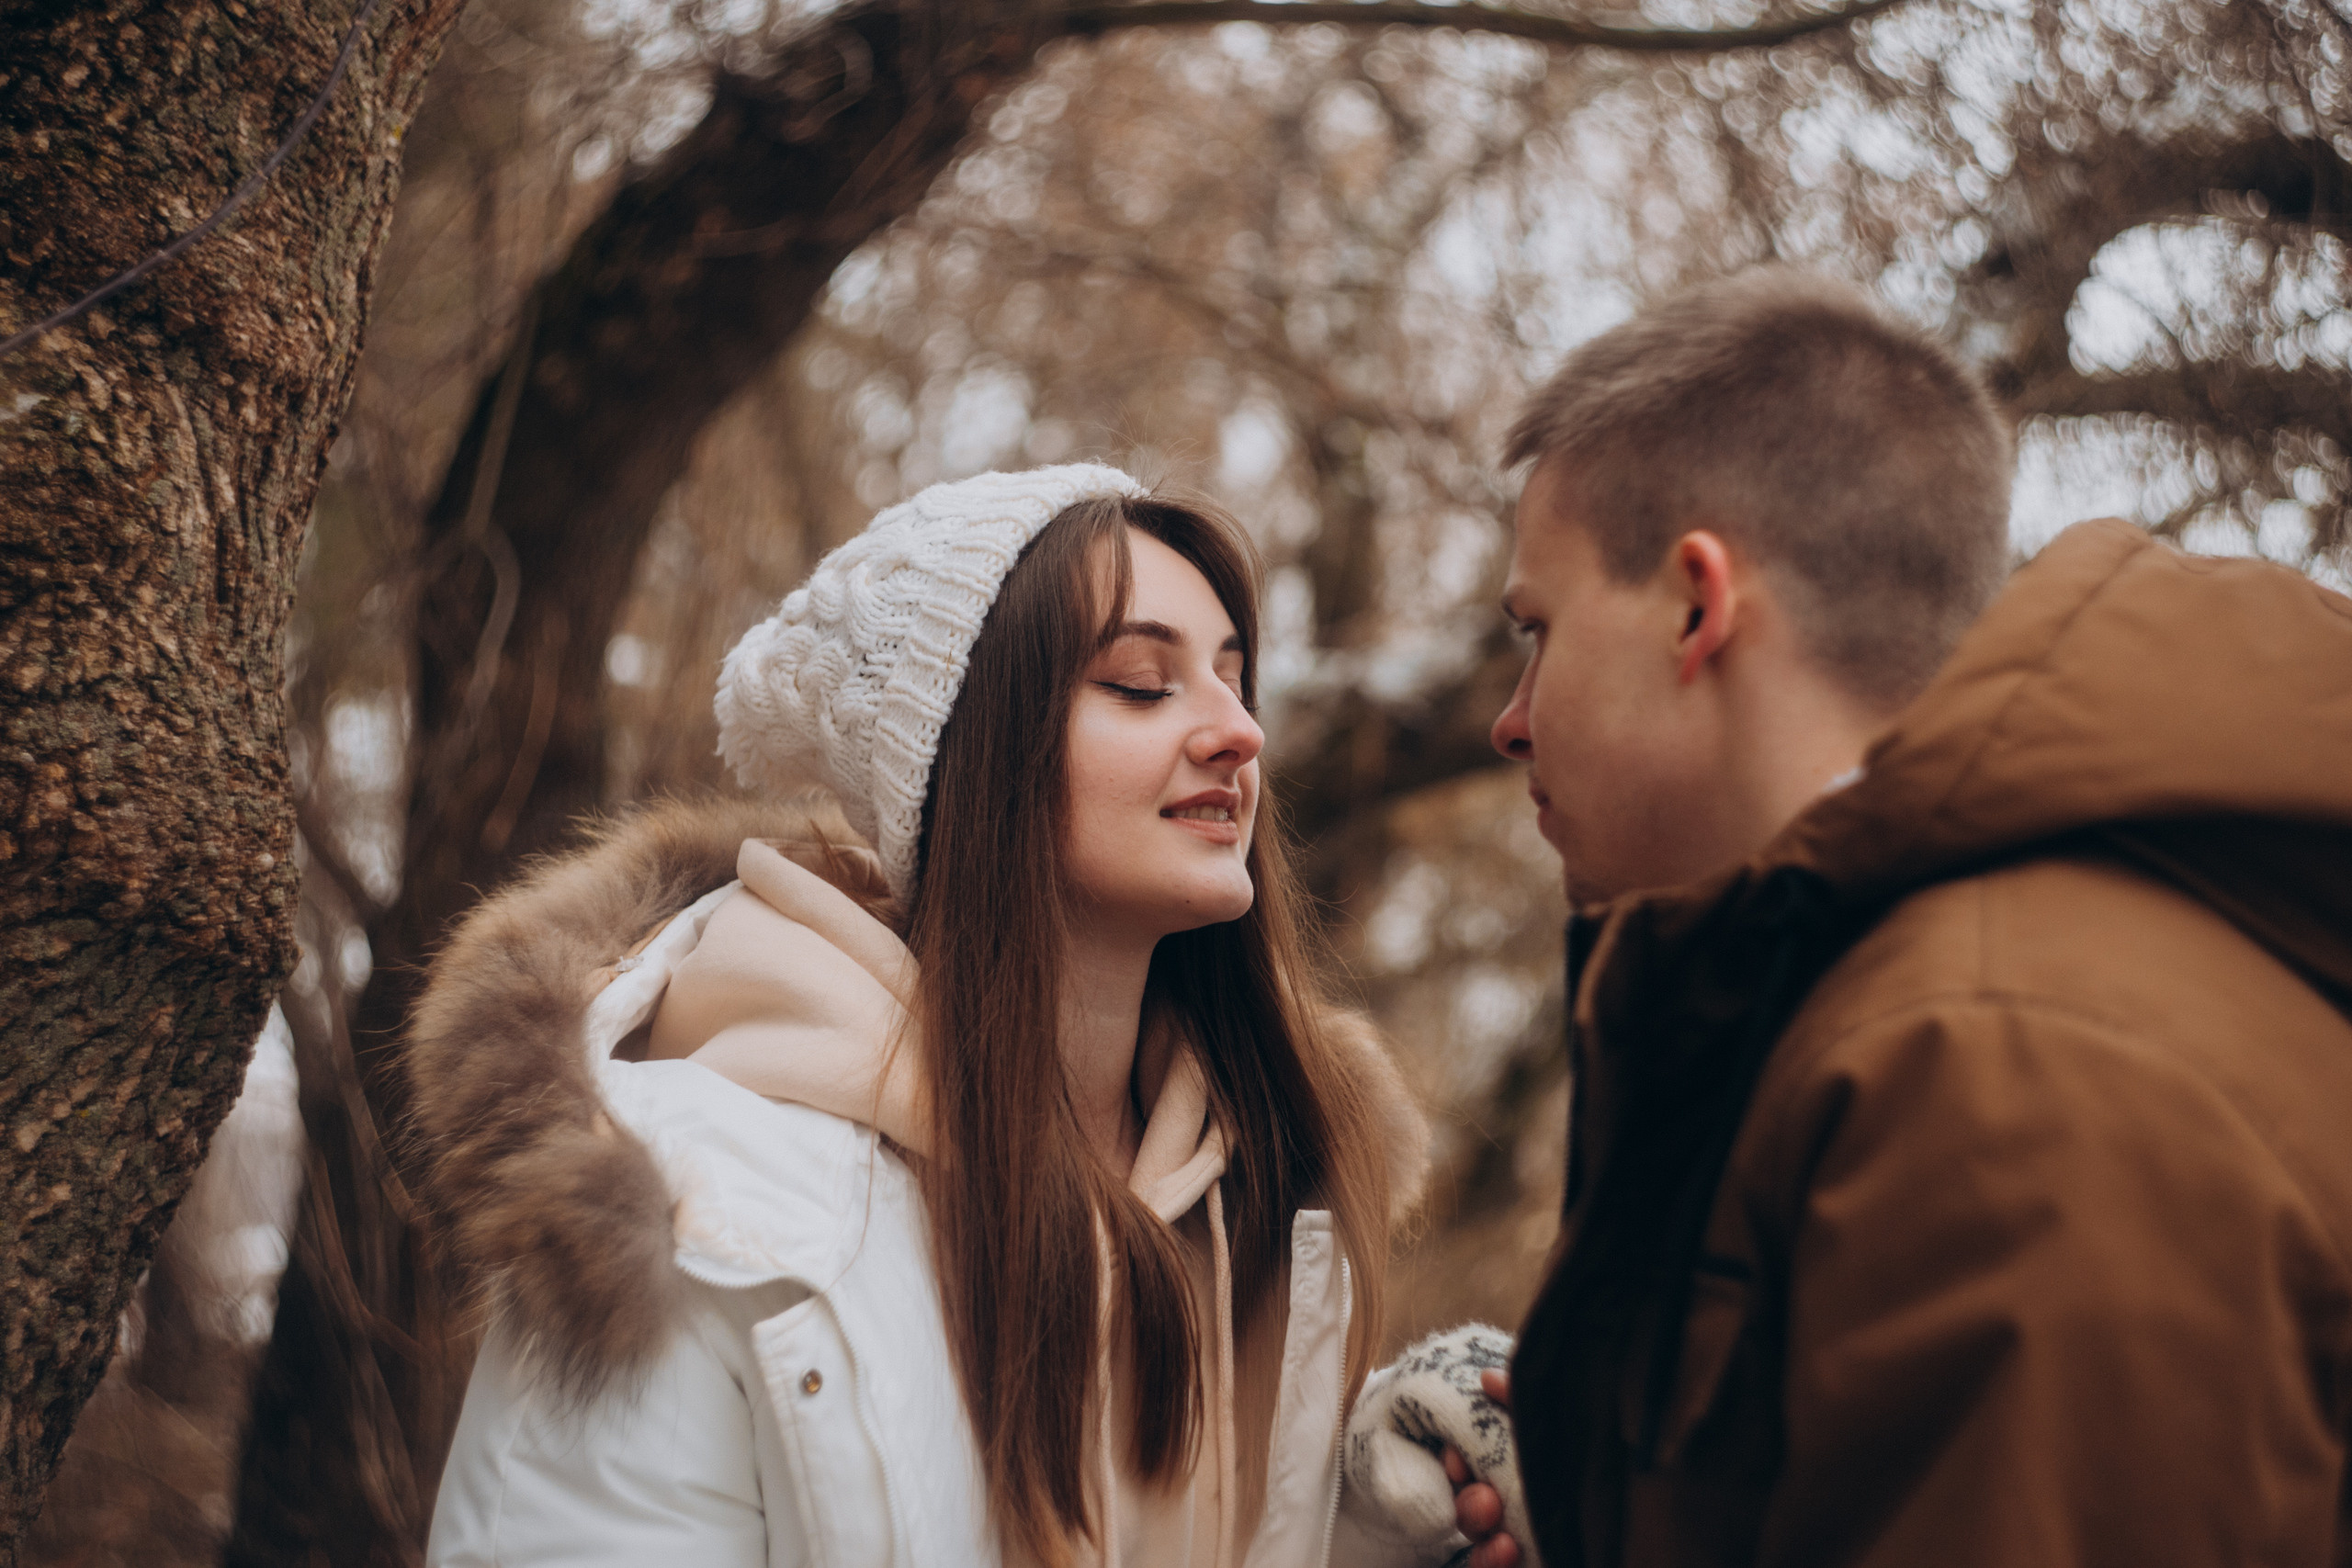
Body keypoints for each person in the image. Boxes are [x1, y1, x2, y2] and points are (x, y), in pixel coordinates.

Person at [408, 464, 1520, 1567]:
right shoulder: (699, 1209)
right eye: (1142, 683)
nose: (1238, 732)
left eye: (1236, 682)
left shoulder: (1262, 1191)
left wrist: (1380, 1519)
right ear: (971, 758)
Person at [1464, 267, 2352, 1567]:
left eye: (1537, 629)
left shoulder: (2003, 1067)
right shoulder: (1910, 1003)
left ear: (1698, 604)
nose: (1512, 715)